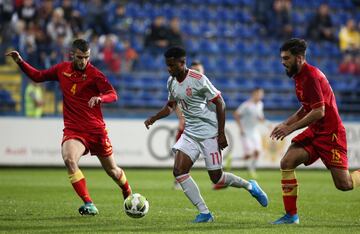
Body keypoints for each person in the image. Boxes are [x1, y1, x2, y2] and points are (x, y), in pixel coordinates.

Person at [6, 39, 132, 216]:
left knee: (112, 171)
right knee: (69, 160)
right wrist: (20, 62)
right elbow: (38, 76)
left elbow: (113, 94)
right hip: (74, 130)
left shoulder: (95, 74)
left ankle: (127, 192)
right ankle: (89, 203)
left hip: (96, 130)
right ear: (72, 54)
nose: (83, 61)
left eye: (86, 57)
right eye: (80, 57)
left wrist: (100, 98)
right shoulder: (61, 69)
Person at [144, 46, 268, 223]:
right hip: (190, 133)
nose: (169, 69)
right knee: (179, 171)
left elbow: (220, 103)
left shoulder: (198, 79)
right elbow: (171, 105)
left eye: (172, 65)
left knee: (216, 178)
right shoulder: (171, 82)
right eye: (167, 65)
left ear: (182, 63)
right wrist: (154, 117)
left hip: (209, 133)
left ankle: (250, 186)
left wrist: (221, 133)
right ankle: (204, 213)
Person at [271, 38, 360, 224]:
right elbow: (306, 107)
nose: (283, 62)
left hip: (331, 133)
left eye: (286, 58)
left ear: (299, 58)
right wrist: (286, 123)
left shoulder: (310, 76)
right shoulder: (299, 76)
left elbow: (319, 111)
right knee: (287, 162)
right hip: (315, 130)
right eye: (282, 58)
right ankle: (291, 216)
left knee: (344, 185)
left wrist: (290, 129)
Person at [173, 60, 204, 190]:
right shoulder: (183, 85)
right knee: (180, 153)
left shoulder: (205, 86)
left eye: (199, 70)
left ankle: (219, 177)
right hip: (187, 125)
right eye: (195, 70)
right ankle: (178, 180)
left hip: (202, 127)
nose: (197, 72)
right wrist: (181, 118)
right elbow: (174, 102)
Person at [232, 88, 265, 179]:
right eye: (259, 94)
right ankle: (233, 159)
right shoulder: (246, 105)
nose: (260, 96)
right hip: (245, 132)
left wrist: (263, 120)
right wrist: (241, 128)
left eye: (261, 94)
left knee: (257, 152)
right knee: (249, 154)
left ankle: (252, 170)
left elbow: (260, 117)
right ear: (254, 94)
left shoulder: (260, 104)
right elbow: (236, 114)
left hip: (254, 131)